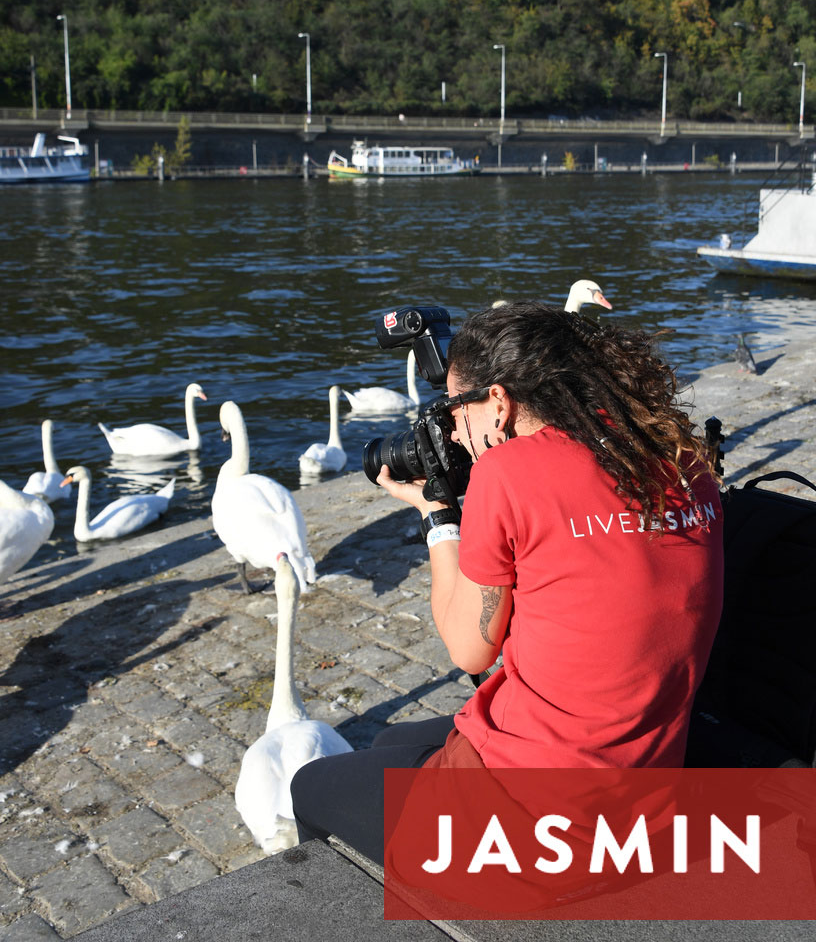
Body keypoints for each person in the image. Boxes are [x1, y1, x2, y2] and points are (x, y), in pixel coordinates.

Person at [291, 301, 723, 863]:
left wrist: (438, 517)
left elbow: (471, 650)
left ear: (498, 402)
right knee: (391, 741)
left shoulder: (508, 472)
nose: (451, 428)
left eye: (453, 409)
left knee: (311, 786)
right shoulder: (679, 453)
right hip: (645, 785)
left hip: (540, 825)